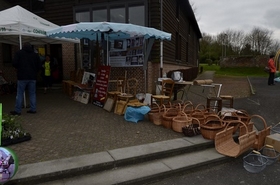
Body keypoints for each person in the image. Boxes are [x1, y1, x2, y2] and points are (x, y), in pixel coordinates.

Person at [10, 43, 41, 115]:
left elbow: (14, 63)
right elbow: (39, 65)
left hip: (22, 76)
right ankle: (33, 109)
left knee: (20, 93)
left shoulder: (19, 53)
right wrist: (34, 71)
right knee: (32, 93)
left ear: (23, 47)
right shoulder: (35, 55)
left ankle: (18, 111)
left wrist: (18, 68)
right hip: (32, 77)